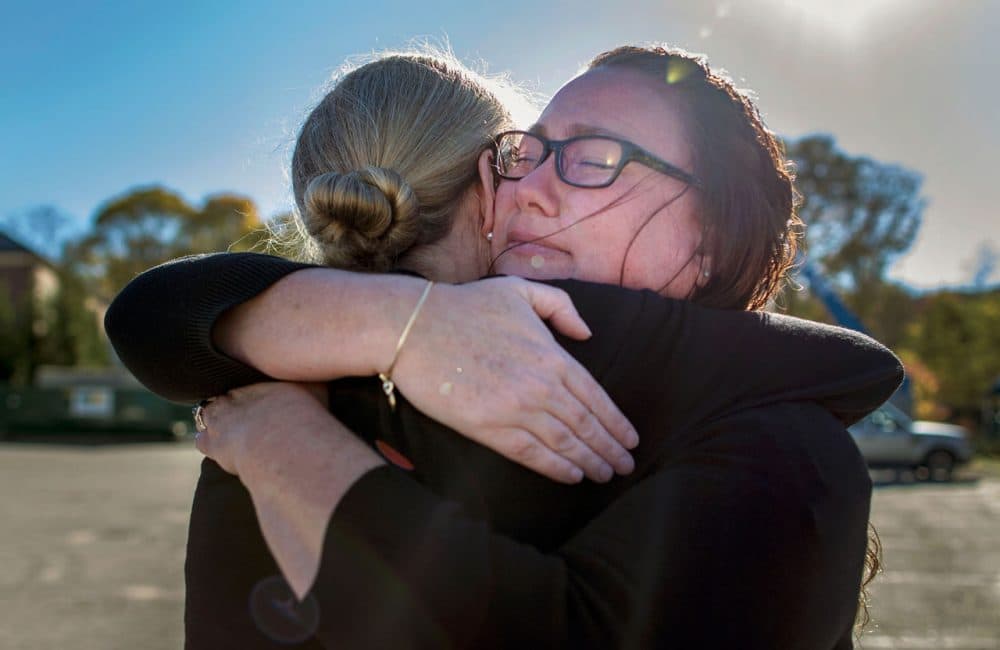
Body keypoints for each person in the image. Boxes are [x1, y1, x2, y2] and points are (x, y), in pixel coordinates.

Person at [105, 46, 903, 649]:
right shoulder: (394, 375)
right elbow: (153, 316)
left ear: (710, 244)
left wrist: (288, 446)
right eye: (528, 152)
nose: (532, 185)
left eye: (594, 159)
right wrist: (402, 324)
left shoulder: (782, 446)